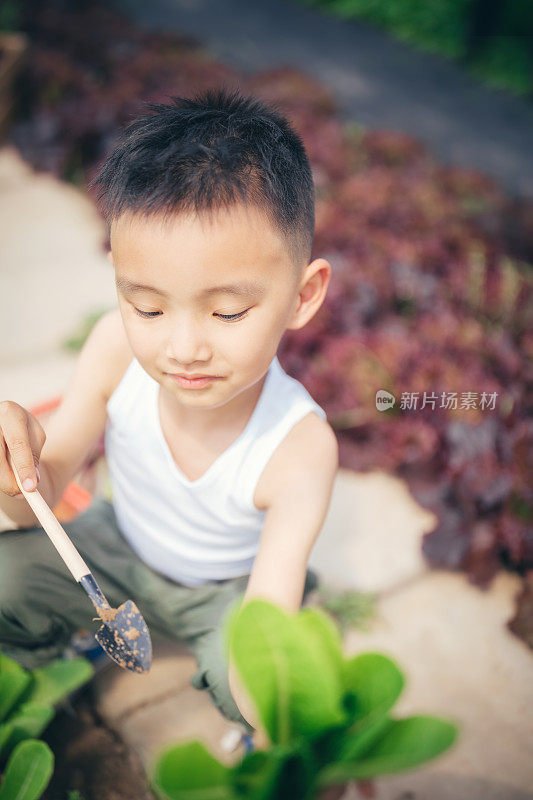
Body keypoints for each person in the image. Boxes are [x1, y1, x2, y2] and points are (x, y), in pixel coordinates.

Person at [0, 86, 338, 744]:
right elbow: (36, 496)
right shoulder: (113, 348)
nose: (183, 348)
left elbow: (264, 615)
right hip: (115, 548)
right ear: (119, 279)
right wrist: (18, 474)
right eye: (149, 307)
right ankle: (37, 681)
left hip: (227, 593)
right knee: (6, 577)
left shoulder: (299, 449)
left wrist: (269, 708)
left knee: (271, 690)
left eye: (227, 312)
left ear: (302, 295)